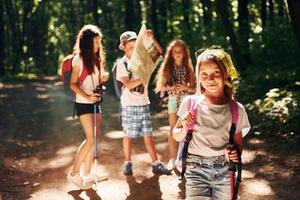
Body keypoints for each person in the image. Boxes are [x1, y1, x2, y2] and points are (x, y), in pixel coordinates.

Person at [173, 47, 250, 199]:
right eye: (204, 74)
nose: (210, 79)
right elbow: (176, 135)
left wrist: (235, 153)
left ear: (225, 74)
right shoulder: (190, 104)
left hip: (225, 171)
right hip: (195, 170)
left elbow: (238, 145)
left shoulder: (236, 109)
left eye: (216, 73)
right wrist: (183, 123)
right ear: (198, 77)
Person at [116, 31, 170, 176]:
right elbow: (127, 84)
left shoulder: (144, 60)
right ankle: (127, 162)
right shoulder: (122, 64)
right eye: (130, 47)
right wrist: (142, 78)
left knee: (148, 134)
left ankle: (156, 163)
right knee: (128, 134)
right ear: (124, 47)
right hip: (129, 104)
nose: (133, 49)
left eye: (136, 46)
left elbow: (159, 54)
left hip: (143, 103)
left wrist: (152, 38)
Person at [67, 24, 109, 188]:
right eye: (95, 42)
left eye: (99, 42)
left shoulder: (95, 58)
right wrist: (88, 96)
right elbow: (73, 84)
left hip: (95, 102)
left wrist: (102, 78)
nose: (98, 45)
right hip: (83, 103)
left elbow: (93, 80)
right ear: (86, 42)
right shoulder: (79, 59)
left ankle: (87, 173)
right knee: (90, 139)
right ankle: (74, 174)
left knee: (95, 138)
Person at [154, 39, 196, 170]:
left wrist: (185, 87)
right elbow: (160, 87)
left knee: (187, 129)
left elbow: (194, 89)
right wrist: (169, 88)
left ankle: (183, 158)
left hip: (186, 100)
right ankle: (172, 159)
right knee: (173, 129)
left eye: (180, 51)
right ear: (171, 54)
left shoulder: (188, 68)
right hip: (173, 100)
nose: (178, 54)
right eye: (175, 52)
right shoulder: (167, 68)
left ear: (184, 53)